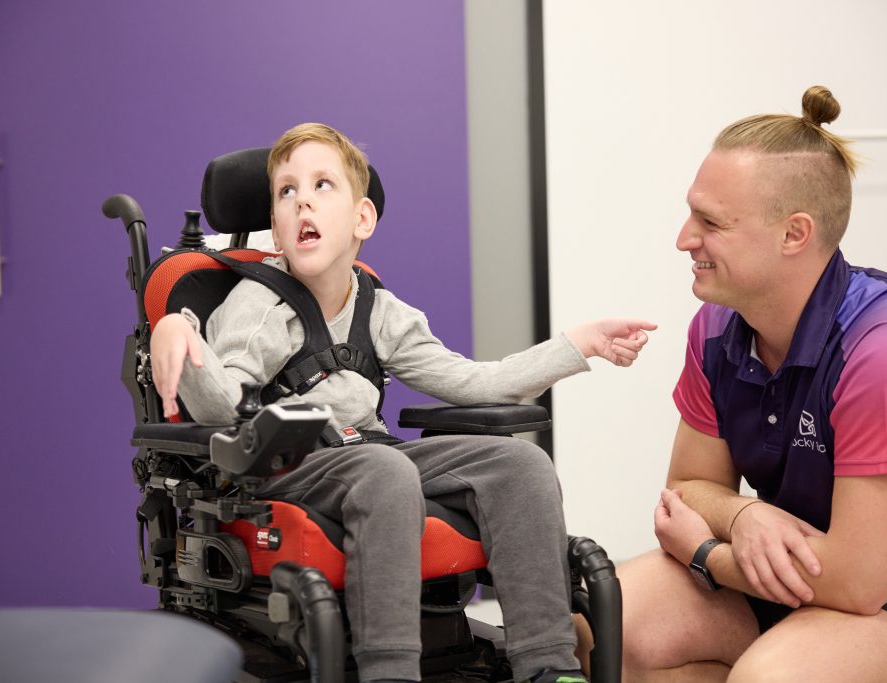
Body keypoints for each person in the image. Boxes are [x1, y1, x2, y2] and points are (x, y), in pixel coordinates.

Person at [149, 122, 656, 683]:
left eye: (322, 186)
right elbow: (222, 407)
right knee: (385, 468)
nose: (301, 203)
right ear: (275, 225)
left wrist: (576, 346)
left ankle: (548, 667)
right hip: (282, 463)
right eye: (286, 192)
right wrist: (181, 331)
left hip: (368, 453)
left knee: (520, 465)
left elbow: (477, 384)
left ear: (362, 218)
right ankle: (390, 672)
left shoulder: (380, 309)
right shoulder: (258, 304)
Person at [604, 86, 887, 682]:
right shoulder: (717, 325)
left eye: (711, 222)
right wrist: (744, 517)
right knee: (608, 621)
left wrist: (708, 552)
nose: (684, 238)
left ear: (795, 234)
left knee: (772, 678)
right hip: (788, 567)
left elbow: (857, 581)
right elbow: (687, 491)